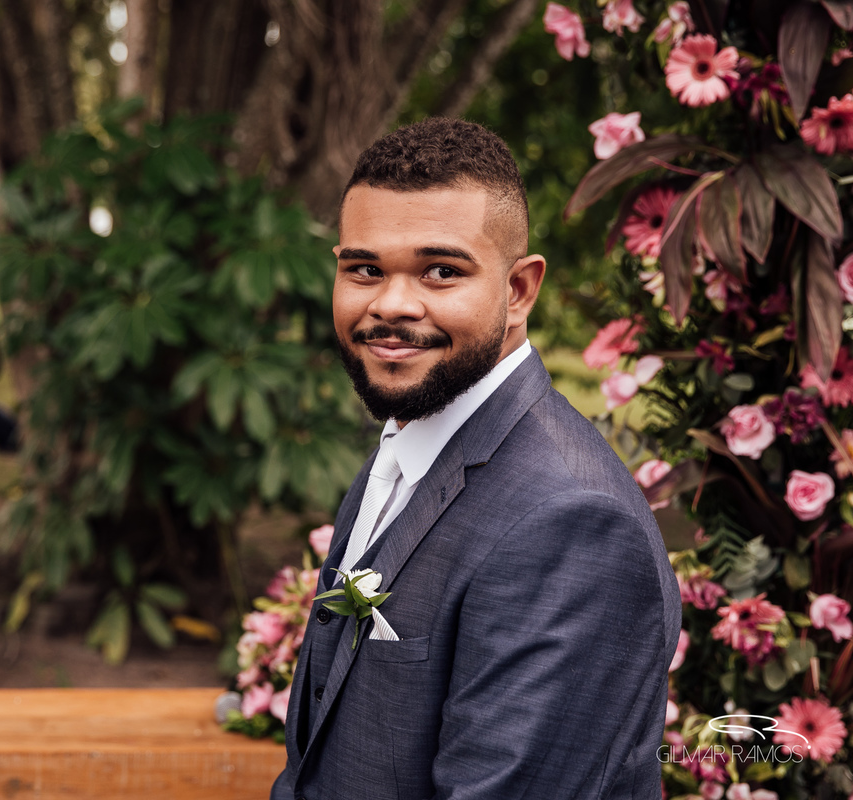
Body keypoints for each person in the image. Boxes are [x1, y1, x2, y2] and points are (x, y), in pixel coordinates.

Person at [271, 118, 680, 799]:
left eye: (440, 271)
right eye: (365, 269)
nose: (392, 305)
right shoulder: (414, 441)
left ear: (518, 291)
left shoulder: (570, 521)